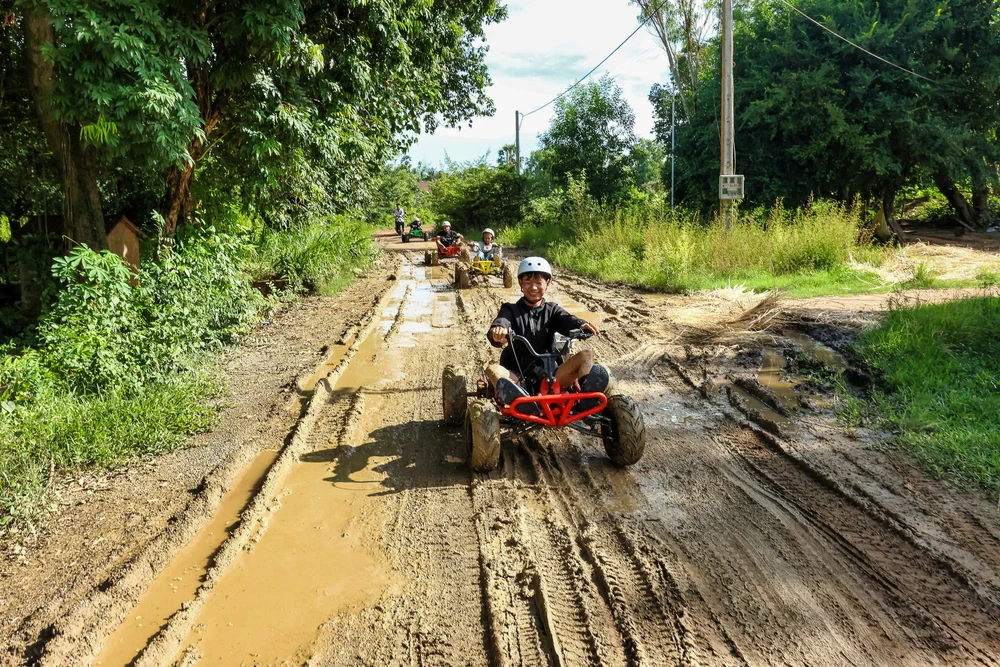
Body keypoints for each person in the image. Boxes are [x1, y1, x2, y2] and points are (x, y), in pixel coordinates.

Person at [486, 257, 610, 408]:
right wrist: (498, 330)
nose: (533, 287)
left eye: (539, 282)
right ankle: (525, 405)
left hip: (553, 377)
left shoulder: (552, 310)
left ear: (548, 283)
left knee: (587, 355)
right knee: (492, 370)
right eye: (528, 282)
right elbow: (502, 321)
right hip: (518, 378)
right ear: (520, 282)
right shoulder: (510, 309)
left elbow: (566, 319)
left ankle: (587, 399)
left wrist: (581, 324)